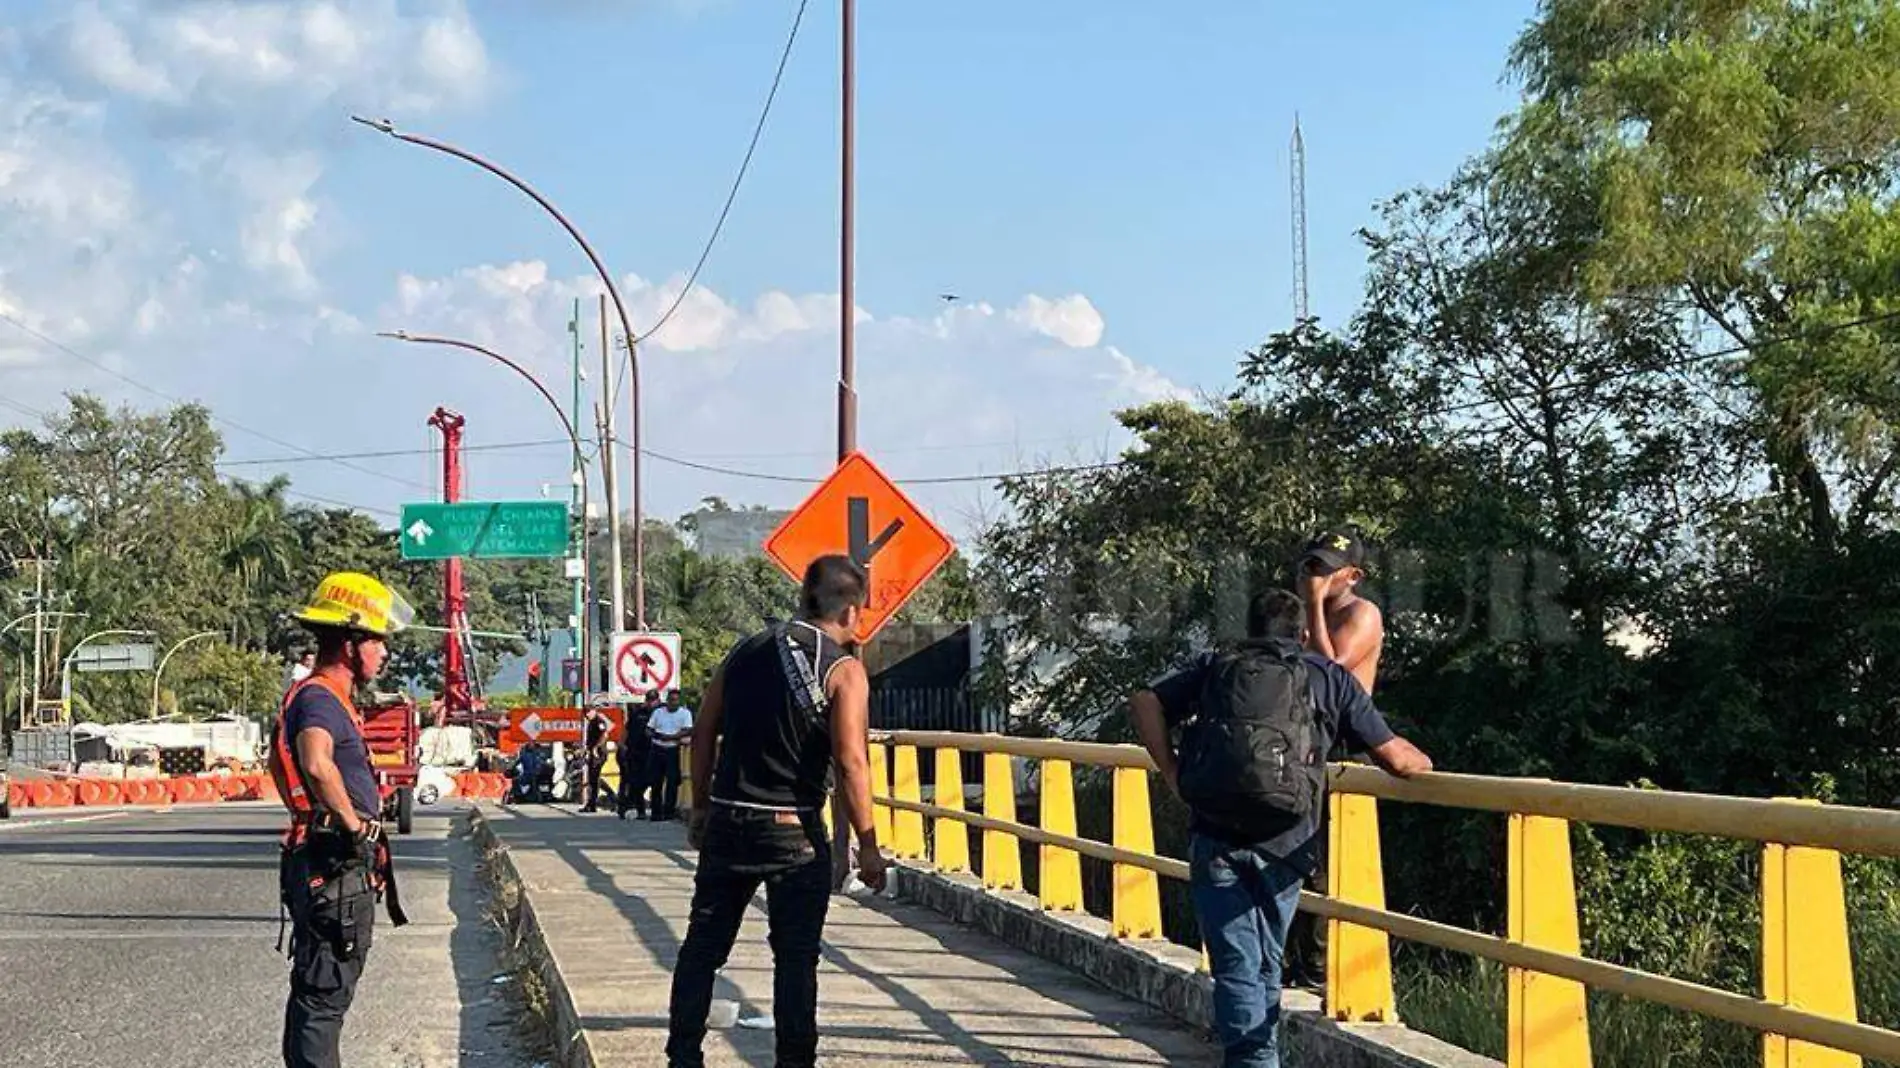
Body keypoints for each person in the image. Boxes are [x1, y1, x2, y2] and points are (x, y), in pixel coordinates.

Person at [1128, 588, 1430, 1068]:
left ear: (1246, 629)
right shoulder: (1327, 676)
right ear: (1305, 634)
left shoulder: (1216, 666)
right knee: (1265, 960)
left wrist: (1173, 774)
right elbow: (1396, 758)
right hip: (1288, 840)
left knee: (1237, 966)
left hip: (1216, 834)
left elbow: (1145, 700)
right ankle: (1259, 1058)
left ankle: (1255, 1058)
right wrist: (1428, 762)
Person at [666, 554, 889, 1068]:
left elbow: (702, 732)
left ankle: (682, 1058)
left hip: (727, 820)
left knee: (702, 949)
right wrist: (867, 849)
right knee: (795, 961)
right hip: (794, 833)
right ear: (852, 612)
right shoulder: (843, 669)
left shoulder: (744, 651)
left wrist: (700, 809)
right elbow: (851, 761)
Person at [268, 571, 416, 1068]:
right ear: (352, 644)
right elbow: (314, 760)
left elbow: (280, 764)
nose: (384, 653)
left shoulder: (317, 697)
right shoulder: (319, 698)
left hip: (322, 858)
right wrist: (352, 827)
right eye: (377, 641)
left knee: (316, 992)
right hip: (333, 862)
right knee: (324, 996)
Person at [1286, 526, 1386, 994]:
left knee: (1325, 867)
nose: (1317, 577)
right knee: (1291, 855)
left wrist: (1312, 609)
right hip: (1302, 747)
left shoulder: (1361, 614)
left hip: (1343, 751)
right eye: (1311, 567)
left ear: (1353, 575)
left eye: (1326, 570)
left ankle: (1323, 971)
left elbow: (1332, 674)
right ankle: (1290, 961)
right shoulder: (1303, 617)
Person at [645, 689, 693, 822]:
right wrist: (657, 736)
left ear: (679, 701)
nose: (673, 703)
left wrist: (671, 737)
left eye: (675, 700)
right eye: (670, 700)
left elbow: (688, 729)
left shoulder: (685, 714)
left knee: (672, 781)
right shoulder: (658, 712)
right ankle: (656, 812)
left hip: (673, 749)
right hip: (657, 748)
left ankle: (669, 812)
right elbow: (649, 729)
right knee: (656, 782)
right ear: (667, 700)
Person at [617, 695, 655, 820]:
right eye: (649, 699)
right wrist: (622, 744)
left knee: (651, 781)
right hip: (634, 752)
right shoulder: (637, 714)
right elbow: (626, 730)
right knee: (634, 781)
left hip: (651, 751)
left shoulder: (659, 713)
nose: (651, 702)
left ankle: (653, 809)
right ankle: (639, 810)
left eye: (653, 700)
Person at [579, 704, 612, 813]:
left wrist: (596, 747)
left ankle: (594, 803)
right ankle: (592, 804)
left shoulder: (599, 721)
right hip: (592, 753)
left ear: (593, 711)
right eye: (585, 713)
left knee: (594, 778)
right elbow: (590, 740)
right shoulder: (591, 722)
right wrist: (586, 750)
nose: (586, 715)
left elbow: (604, 735)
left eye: (588, 712)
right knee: (593, 778)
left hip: (599, 753)